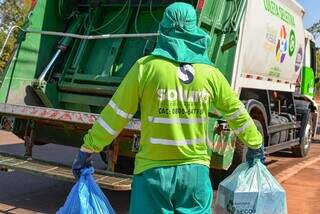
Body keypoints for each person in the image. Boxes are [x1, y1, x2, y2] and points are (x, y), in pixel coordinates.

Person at [72, 2, 264, 214]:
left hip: (153, 173)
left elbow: (115, 115)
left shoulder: (145, 68)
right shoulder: (211, 73)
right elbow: (236, 113)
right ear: (194, 28)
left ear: (164, 27)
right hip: (195, 174)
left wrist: (88, 149)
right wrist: (255, 144)